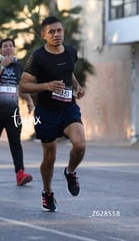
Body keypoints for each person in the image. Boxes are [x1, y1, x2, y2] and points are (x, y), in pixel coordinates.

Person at [19, 16, 86, 212]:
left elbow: (69, 73)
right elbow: (24, 84)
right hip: (47, 112)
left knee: (80, 144)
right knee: (50, 157)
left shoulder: (71, 52)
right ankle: (47, 192)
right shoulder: (38, 57)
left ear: (63, 31)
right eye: (52, 32)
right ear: (44, 35)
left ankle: (71, 172)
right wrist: (47, 85)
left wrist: (77, 87)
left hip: (68, 108)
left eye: (59, 31)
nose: (56, 35)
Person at [0, 38, 34, 186]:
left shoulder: (18, 67)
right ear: (1, 50)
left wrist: (30, 102)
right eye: (5, 46)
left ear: (14, 49)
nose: (8, 48)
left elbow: (21, 87)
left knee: (15, 142)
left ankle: (20, 174)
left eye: (11, 46)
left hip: (12, 112)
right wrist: (1, 65)